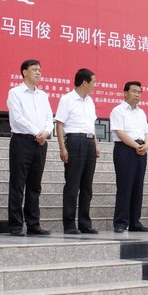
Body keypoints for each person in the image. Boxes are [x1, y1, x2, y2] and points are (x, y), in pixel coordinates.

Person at [6, 59, 53, 236]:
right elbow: (17, 118)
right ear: (24, 72)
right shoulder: (15, 93)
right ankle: (16, 225)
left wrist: (46, 133)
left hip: (40, 143)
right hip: (22, 141)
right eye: (34, 69)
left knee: (35, 185)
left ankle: (33, 224)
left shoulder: (43, 95)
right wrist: (37, 132)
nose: (38, 72)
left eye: (40, 70)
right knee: (18, 184)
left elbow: (49, 117)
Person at [56, 68, 100, 235]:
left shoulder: (90, 101)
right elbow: (60, 124)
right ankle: (69, 224)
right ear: (84, 82)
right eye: (93, 82)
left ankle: (84, 223)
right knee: (72, 185)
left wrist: (96, 144)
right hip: (74, 141)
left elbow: (91, 125)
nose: (95, 85)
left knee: (87, 186)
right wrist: (62, 147)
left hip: (89, 141)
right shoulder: (67, 99)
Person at [110, 81, 148, 233]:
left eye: (139, 92)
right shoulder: (118, 110)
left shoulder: (141, 112)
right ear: (125, 93)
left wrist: (146, 145)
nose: (137, 94)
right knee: (125, 186)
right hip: (125, 149)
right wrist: (136, 146)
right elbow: (120, 133)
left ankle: (135, 222)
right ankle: (120, 222)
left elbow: (147, 131)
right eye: (134, 91)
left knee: (137, 187)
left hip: (141, 150)